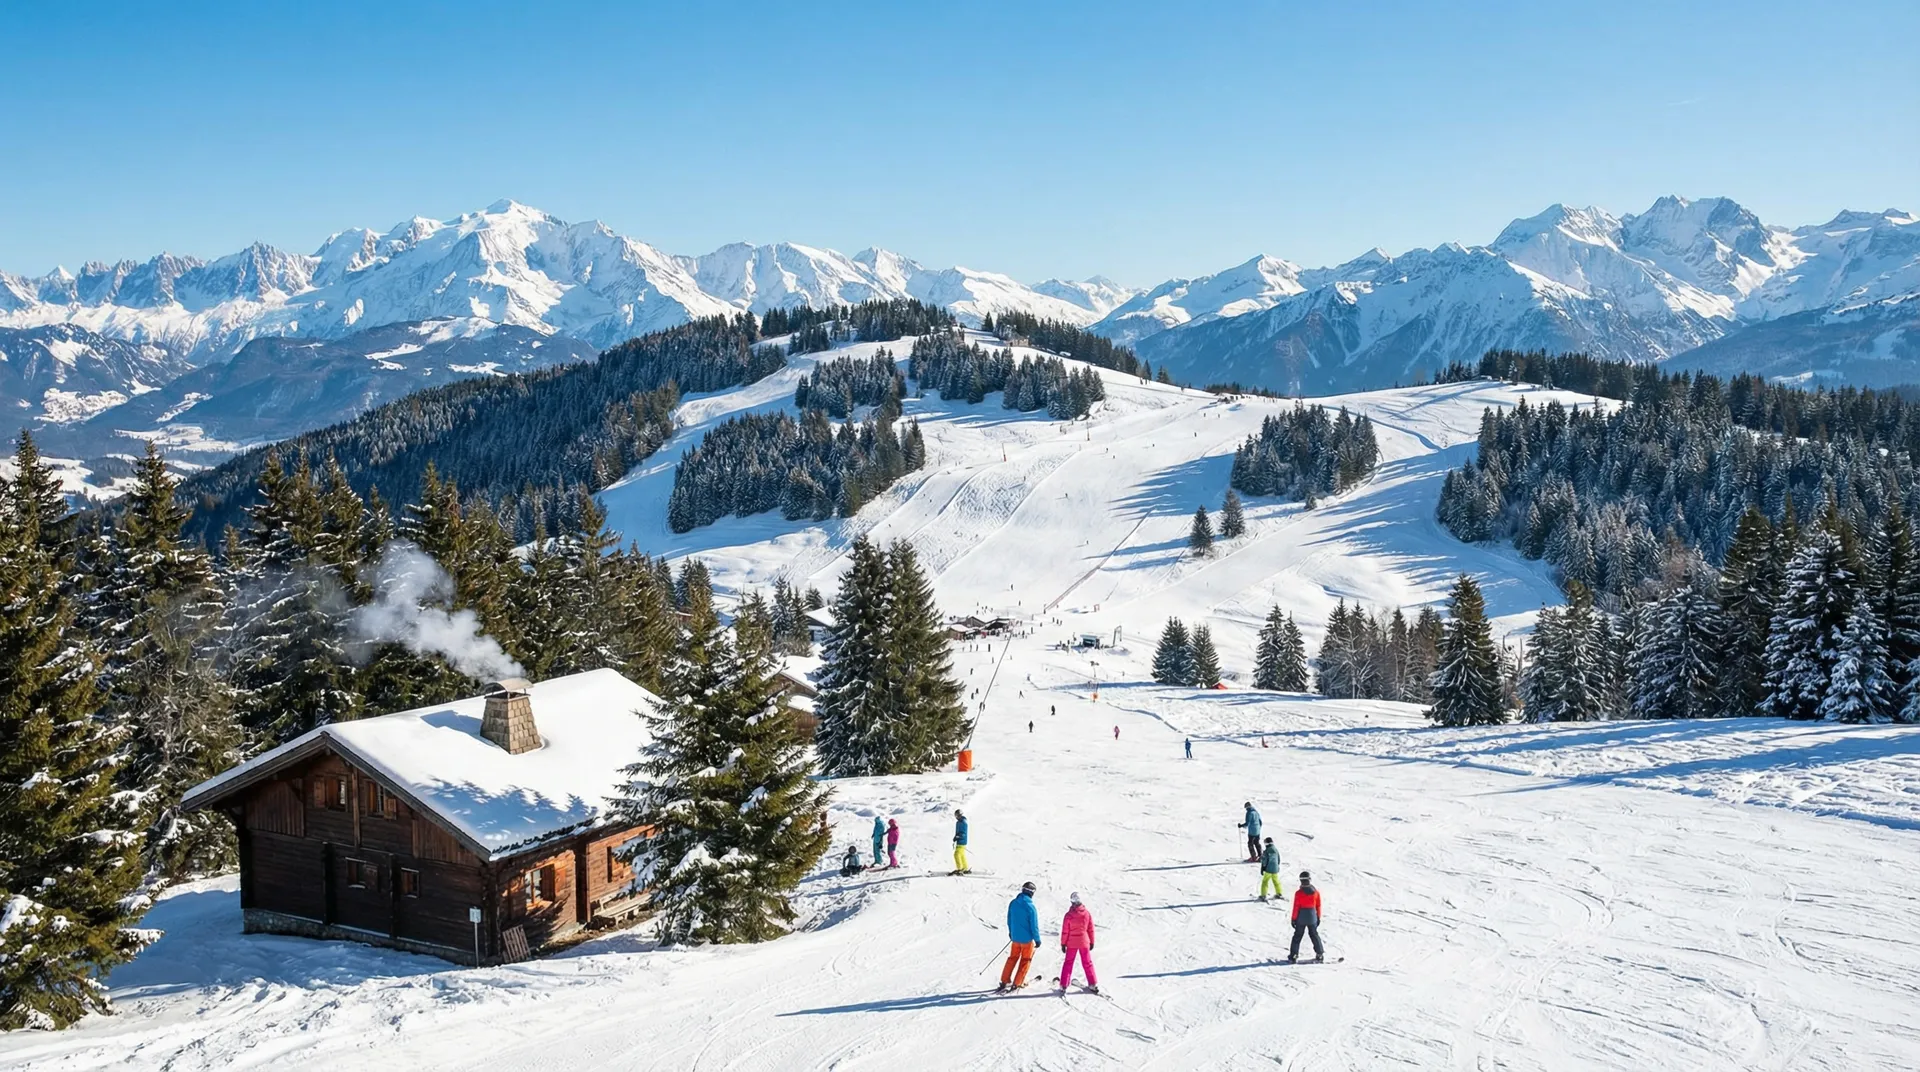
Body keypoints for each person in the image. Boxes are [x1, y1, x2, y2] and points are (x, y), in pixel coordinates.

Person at [999, 881, 1040, 992]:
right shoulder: (1030, 907)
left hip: (1015, 938)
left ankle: (1004, 980)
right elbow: (1034, 925)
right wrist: (1037, 939)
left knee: (1012, 958)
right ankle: (1017, 982)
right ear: (1031, 893)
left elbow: (1009, 919)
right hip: (1026, 940)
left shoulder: (1013, 903)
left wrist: (1011, 933)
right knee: (1026, 960)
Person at [1057, 891, 1098, 994]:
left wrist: (1063, 943)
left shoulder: (1068, 915)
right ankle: (1092, 983)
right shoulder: (1086, 913)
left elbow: (1065, 931)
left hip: (1072, 943)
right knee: (1087, 963)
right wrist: (1092, 941)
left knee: (1068, 963)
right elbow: (1090, 929)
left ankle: (1064, 984)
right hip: (1084, 942)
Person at [1289, 871, 1324, 963]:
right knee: (1314, 935)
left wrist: (1293, 919)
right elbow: (1318, 906)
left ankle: (1294, 955)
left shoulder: (1299, 893)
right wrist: (1318, 917)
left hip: (1301, 917)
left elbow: (1296, 907)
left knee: (1297, 936)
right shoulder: (1316, 892)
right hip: (1312, 917)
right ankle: (1319, 953)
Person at [952, 809, 970, 875]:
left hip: (962, 841)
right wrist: (955, 837)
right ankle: (965, 868)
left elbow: (963, 833)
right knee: (962, 855)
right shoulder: (959, 822)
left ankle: (959, 869)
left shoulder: (963, 822)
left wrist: (958, 836)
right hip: (960, 841)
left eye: (957, 816)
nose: (956, 817)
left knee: (956, 854)